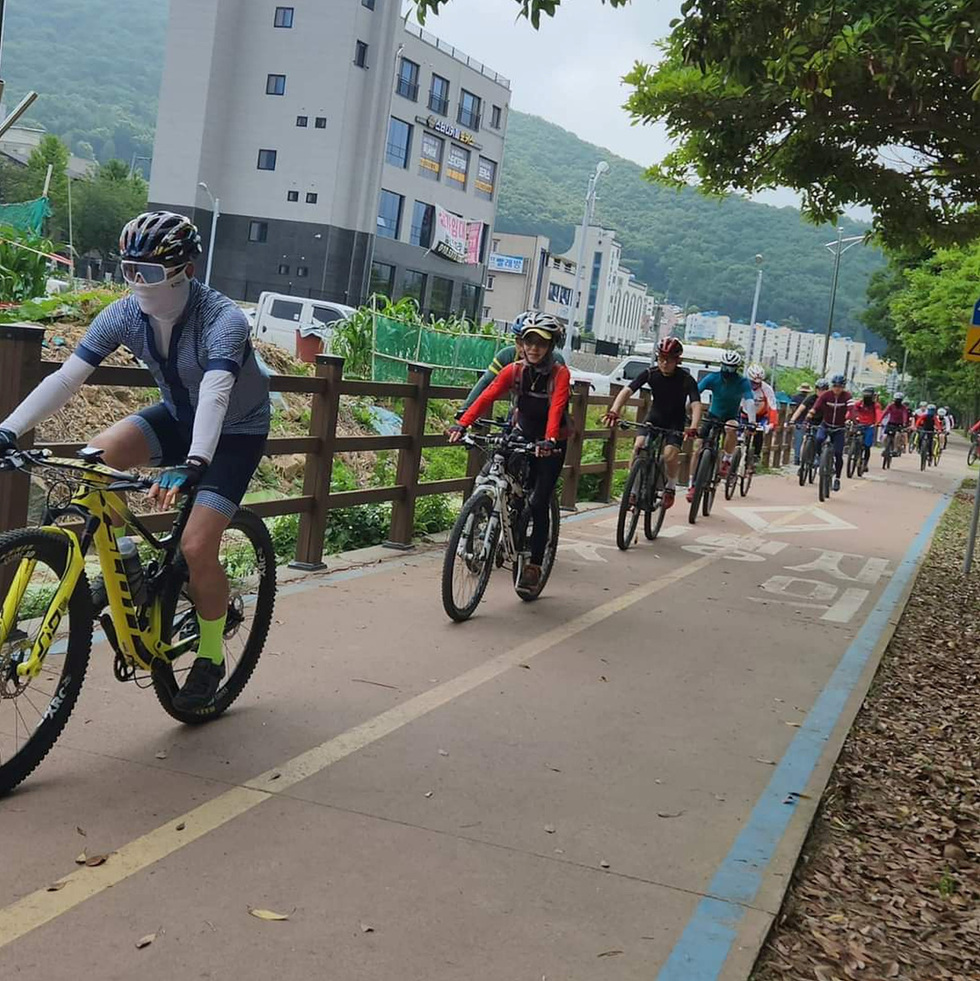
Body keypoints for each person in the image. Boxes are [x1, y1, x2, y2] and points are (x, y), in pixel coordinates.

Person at [0, 212, 271, 711]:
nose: (136, 283)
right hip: (176, 414)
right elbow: (66, 379)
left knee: (195, 544)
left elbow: (215, 392)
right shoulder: (124, 313)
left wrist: (194, 462)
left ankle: (210, 655)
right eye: (129, 270)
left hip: (234, 431)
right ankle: (128, 571)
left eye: (147, 272)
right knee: (95, 458)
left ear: (186, 269)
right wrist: (8, 430)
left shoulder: (223, 318)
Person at [449, 313, 571, 592]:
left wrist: (550, 439)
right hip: (522, 431)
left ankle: (534, 565)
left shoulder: (559, 373)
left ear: (551, 346)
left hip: (552, 441)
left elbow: (556, 407)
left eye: (540, 343)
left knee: (538, 502)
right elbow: (488, 394)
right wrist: (462, 423)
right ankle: (492, 521)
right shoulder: (513, 369)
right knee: (496, 469)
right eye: (528, 342)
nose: (533, 348)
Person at [602, 336, 703, 510]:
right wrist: (614, 410)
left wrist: (693, 426)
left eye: (669, 360)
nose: (664, 363)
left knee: (670, 454)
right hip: (654, 417)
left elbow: (696, 403)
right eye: (661, 359)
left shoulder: (686, 379)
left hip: (675, 422)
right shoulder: (651, 373)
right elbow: (628, 390)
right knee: (638, 446)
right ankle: (632, 490)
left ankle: (670, 487)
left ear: (677, 361)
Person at [458, 313, 566, 416]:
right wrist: (465, 409)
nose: (525, 348)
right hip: (518, 412)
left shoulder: (556, 361)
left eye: (539, 342)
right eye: (521, 341)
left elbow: (562, 397)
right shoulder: (507, 355)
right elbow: (486, 382)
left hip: (547, 415)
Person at [687, 350, 756, 502]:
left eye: (731, 367)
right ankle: (692, 484)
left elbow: (750, 401)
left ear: (736, 368)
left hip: (731, 416)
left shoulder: (742, 382)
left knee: (731, 428)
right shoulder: (713, 377)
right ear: (721, 365)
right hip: (712, 415)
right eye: (725, 366)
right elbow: (695, 393)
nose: (728, 370)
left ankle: (727, 459)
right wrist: (686, 410)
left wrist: (752, 421)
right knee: (698, 449)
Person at [808, 373, 851, 491]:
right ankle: (818, 457)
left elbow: (851, 409)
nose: (837, 388)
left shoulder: (847, 396)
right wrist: (811, 412)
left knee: (838, 453)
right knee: (819, 439)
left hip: (839, 428)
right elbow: (817, 405)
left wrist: (850, 418)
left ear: (843, 387)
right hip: (825, 425)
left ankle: (837, 479)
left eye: (840, 386)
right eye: (835, 386)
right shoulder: (826, 395)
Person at [743, 363, 778, 472]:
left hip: (760, 416)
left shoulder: (767, 388)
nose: (755, 385)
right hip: (743, 414)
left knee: (759, 433)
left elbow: (773, 406)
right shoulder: (742, 386)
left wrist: (772, 423)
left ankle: (756, 455)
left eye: (758, 383)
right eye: (752, 382)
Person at [847, 386, 882, 470]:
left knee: (867, 445)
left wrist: (878, 422)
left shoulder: (875, 405)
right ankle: (853, 451)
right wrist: (848, 418)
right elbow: (852, 411)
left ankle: (865, 463)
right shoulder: (859, 403)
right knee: (853, 436)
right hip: (859, 424)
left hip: (870, 426)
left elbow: (878, 414)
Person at [789, 382, 812, 465]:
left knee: (798, 441)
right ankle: (808, 458)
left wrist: (791, 420)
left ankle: (797, 458)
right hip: (807, 422)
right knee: (810, 440)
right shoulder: (809, 399)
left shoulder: (794, 398)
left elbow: (791, 409)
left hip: (797, 421)